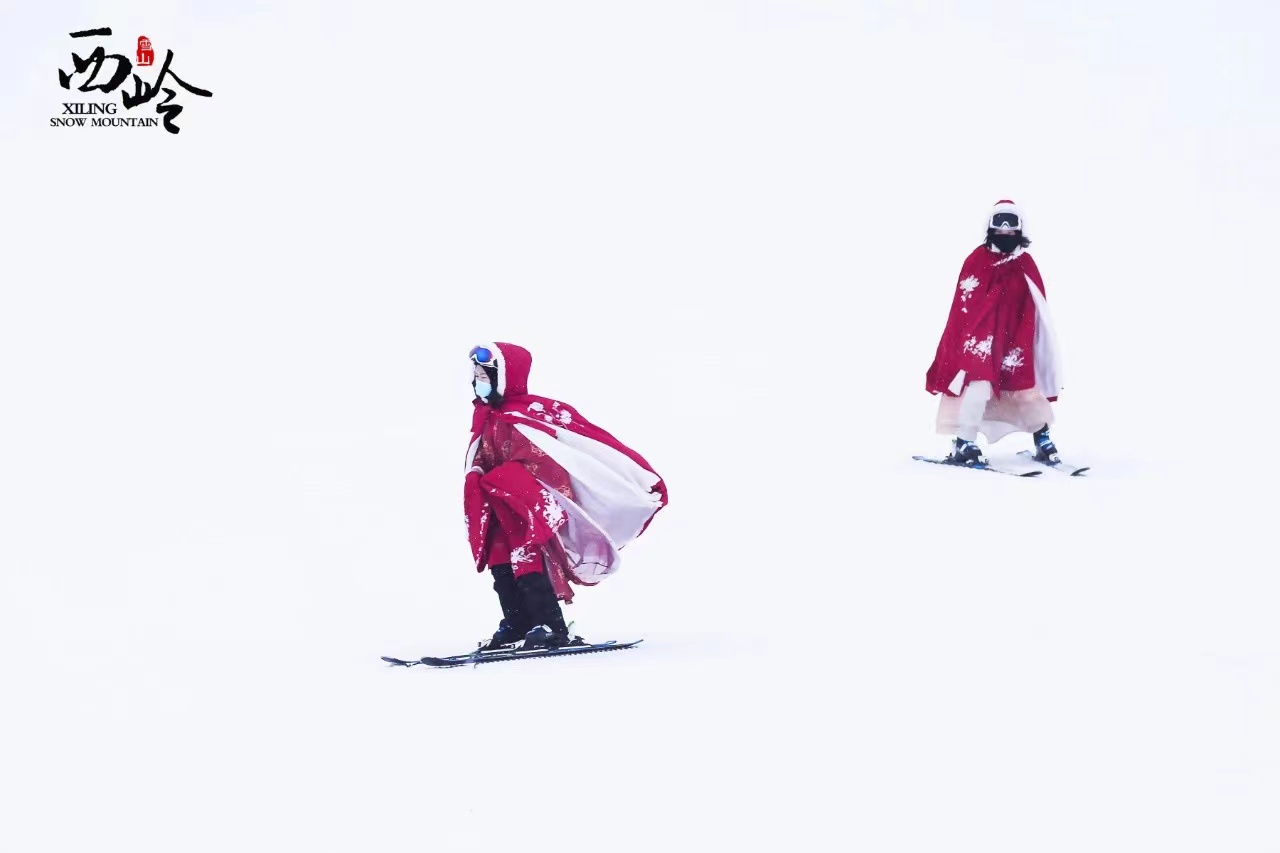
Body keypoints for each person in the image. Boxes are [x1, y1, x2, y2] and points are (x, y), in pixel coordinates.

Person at [463, 342, 667, 650]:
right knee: (500, 562)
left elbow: (548, 460)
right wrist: (478, 475)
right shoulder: (487, 419)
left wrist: (503, 478)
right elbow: (483, 458)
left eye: (484, 376)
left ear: (504, 378)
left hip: (526, 507)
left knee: (528, 560)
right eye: (476, 376)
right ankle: (516, 623)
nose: (477, 382)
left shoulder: (531, 414)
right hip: (498, 507)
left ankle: (550, 626)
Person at [924, 200, 1065, 466]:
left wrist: (1030, 340)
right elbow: (964, 305)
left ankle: (1042, 438)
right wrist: (971, 339)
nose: (1005, 232)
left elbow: (1037, 306)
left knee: (1025, 387)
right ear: (989, 228)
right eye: (999, 227)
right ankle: (964, 441)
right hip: (980, 340)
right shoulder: (977, 260)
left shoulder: (1025, 263)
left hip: (1015, 339)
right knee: (977, 386)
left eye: (1011, 228)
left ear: (1020, 230)